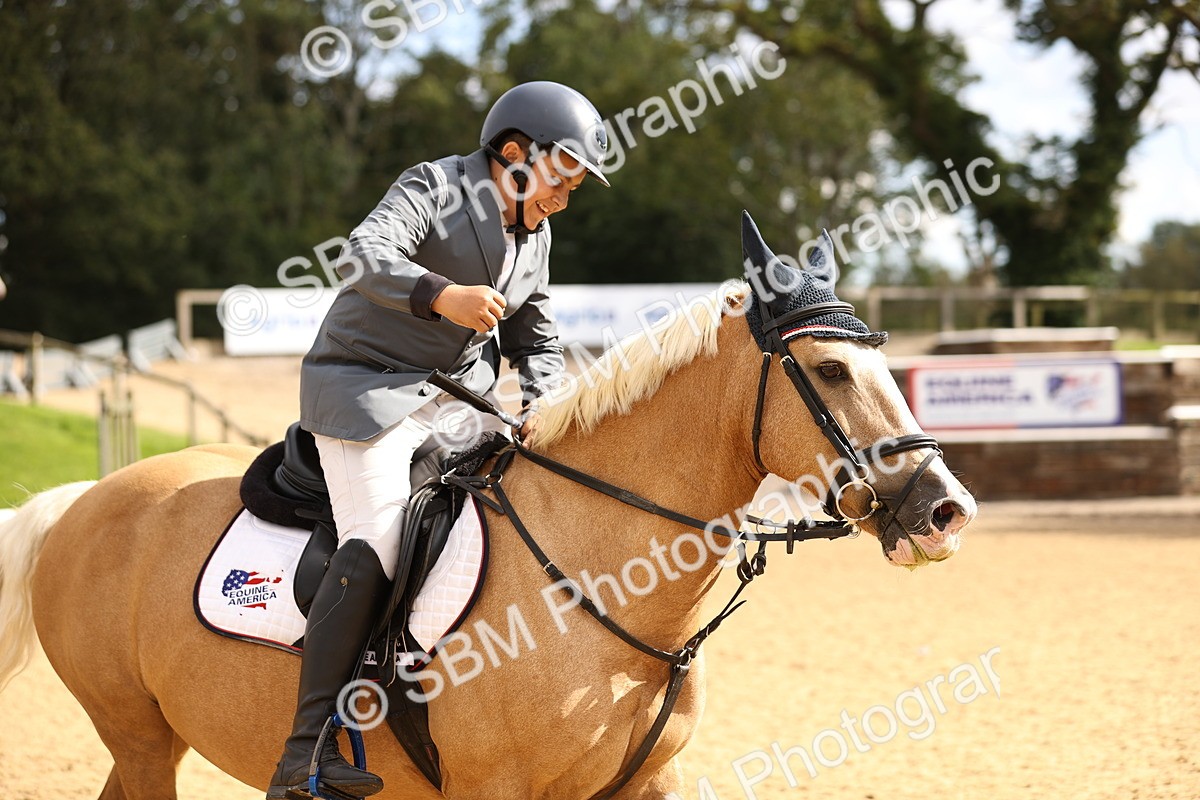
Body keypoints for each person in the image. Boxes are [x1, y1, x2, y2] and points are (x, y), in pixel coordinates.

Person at [266, 81, 610, 799]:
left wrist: (546, 401)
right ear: (516, 154)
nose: (565, 199)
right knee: (383, 534)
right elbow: (362, 254)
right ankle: (304, 754)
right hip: (364, 387)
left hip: (456, 402)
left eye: (576, 186)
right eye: (563, 177)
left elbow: (534, 334)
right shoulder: (436, 184)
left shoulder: (535, 235)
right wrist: (439, 295)